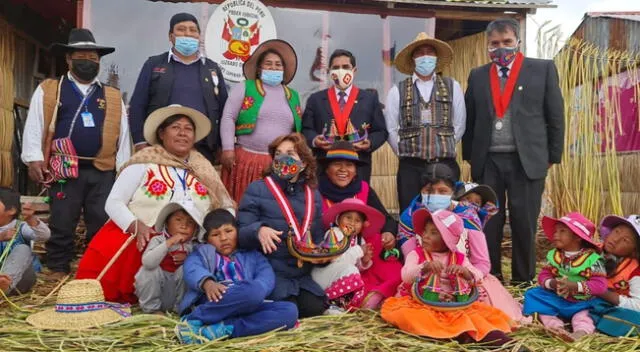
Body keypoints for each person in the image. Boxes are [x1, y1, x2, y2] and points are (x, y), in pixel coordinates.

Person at [76, 105, 234, 303]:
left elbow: (226, 206)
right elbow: (113, 202)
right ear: (161, 133)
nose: (183, 133)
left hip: (190, 244)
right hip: (141, 239)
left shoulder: (203, 168)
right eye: (176, 127)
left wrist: (205, 240)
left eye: (188, 128)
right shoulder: (144, 162)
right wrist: (136, 225)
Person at [21, 28, 130, 278]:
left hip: (102, 169)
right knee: (62, 220)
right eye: (81, 56)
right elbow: (35, 123)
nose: (88, 62)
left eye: (93, 58)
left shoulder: (111, 96)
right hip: (64, 168)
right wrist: (34, 158)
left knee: (101, 220)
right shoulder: (50, 89)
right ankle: (58, 267)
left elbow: (123, 135)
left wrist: (123, 169)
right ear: (68, 59)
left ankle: (96, 270)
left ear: (99, 61)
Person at [462, 18, 565, 284]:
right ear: (487, 46)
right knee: (489, 223)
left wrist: (552, 157)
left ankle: (523, 280)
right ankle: (491, 276)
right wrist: (471, 157)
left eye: (507, 42)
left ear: (518, 42)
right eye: (494, 44)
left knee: (524, 222)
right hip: (489, 161)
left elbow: (555, 115)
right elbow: (470, 119)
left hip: (527, 160)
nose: (501, 48)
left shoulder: (541, 69)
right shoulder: (477, 75)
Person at [397, 162, 525, 322]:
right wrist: (426, 273)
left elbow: (482, 264)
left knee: (486, 314)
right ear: (421, 191)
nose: (435, 195)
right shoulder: (410, 217)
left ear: (453, 192)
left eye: (442, 191)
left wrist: (466, 275)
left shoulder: (467, 215)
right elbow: (410, 260)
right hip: (425, 282)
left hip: (464, 280)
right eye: (428, 191)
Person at [381, 209, 515, 346]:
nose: (425, 236)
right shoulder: (416, 254)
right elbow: (406, 276)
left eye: (433, 233)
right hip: (422, 303)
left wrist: (466, 272)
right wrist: (424, 267)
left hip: (454, 305)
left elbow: (478, 276)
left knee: (477, 318)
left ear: (447, 240)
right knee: (411, 316)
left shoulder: (459, 258)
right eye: (425, 231)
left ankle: (502, 342)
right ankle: (455, 336)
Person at [237, 133, 326, 318]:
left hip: (301, 273)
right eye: (278, 154)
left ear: (304, 163)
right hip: (270, 270)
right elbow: (239, 233)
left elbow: (317, 238)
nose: (283, 158)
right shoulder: (257, 188)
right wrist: (258, 230)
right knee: (287, 311)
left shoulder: (313, 195)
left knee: (315, 308)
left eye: (290, 154)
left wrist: (321, 255)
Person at [177, 209, 297, 343]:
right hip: (217, 300)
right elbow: (192, 268)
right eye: (215, 234)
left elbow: (266, 276)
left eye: (229, 231)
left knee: (290, 310)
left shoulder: (252, 254)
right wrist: (208, 283)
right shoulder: (202, 253)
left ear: (238, 231)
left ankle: (224, 329)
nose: (223, 238)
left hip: (248, 302)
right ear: (206, 239)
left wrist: (256, 292)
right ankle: (194, 320)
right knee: (251, 292)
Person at [128, 13, 228, 162]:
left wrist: (222, 146)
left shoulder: (212, 69)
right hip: (160, 148)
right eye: (181, 29)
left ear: (199, 36)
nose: (188, 33)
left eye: (193, 30)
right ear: (171, 36)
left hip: (203, 150)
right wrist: (140, 142)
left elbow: (224, 110)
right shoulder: (154, 64)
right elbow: (137, 105)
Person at [384, 33, 466, 211]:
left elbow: (459, 125)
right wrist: (407, 152)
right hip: (411, 166)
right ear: (413, 59)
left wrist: (441, 146)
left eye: (430, 52)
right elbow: (391, 129)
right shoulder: (397, 90)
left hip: (445, 164)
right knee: (410, 212)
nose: (425, 56)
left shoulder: (453, 86)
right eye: (420, 53)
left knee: (447, 214)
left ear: (436, 58)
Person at [220, 40, 302, 203]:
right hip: (246, 161)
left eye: (278, 65)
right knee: (242, 204)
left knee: (274, 208)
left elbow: (297, 131)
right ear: (259, 68)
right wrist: (228, 149)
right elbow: (228, 117)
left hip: (279, 164)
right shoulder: (245, 87)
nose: (274, 68)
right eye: (269, 64)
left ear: (284, 70)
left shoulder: (293, 96)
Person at [302, 49, 388, 182]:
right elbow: (306, 129)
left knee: (356, 203)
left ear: (354, 70)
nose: (341, 71)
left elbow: (381, 131)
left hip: (358, 166)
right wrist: (315, 140)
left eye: (345, 67)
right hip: (324, 166)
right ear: (330, 72)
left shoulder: (370, 99)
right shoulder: (316, 99)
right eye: (336, 67)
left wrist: (369, 142)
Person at [523, 212, 606, 342]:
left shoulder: (593, 259)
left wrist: (575, 286)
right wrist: (552, 283)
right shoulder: (554, 255)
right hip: (557, 299)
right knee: (532, 294)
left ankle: (580, 332)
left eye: (562, 231)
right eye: (555, 231)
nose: (556, 234)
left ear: (577, 237)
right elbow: (544, 274)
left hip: (582, 303)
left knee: (585, 316)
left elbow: (600, 286)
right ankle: (555, 327)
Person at [311, 198, 388, 312]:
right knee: (351, 270)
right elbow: (336, 260)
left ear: (362, 225)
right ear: (338, 219)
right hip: (323, 276)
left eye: (357, 221)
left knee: (356, 281)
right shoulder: (334, 234)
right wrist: (359, 251)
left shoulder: (359, 240)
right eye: (348, 218)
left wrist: (364, 262)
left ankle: (337, 306)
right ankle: (329, 303)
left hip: (338, 278)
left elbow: (354, 267)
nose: (352, 223)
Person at [317, 141, 398, 245]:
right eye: (337, 164)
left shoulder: (363, 189)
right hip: (325, 247)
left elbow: (385, 219)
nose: (343, 169)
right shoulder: (314, 191)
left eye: (349, 165)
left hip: (361, 245)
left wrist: (388, 232)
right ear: (327, 170)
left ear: (355, 171)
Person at [135, 202, 204, 313]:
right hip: (160, 290)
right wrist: (169, 242)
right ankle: (152, 310)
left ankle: (182, 309)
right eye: (178, 220)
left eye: (190, 222)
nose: (184, 225)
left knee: (188, 269)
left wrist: (188, 259)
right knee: (148, 271)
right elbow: (148, 262)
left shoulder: (194, 247)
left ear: (195, 230)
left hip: (178, 295)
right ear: (166, 224)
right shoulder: (158, 240)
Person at [589, 215, 640, 337]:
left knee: (635, 319)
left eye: (625, 240)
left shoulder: (634, 270)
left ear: (634, 251)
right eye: (617, 232)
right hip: (580, 299)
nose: (616, 239)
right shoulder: (590, 250)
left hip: (608, 308)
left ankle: (597, 326)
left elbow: (637, 305)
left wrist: (600, 291)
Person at [0, 188, 50, 295]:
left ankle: (4, 285)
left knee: (23, 248)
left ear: (11, 210)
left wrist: (31, 219)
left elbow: (44, 236)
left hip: (20, 280)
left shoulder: (20, 227)